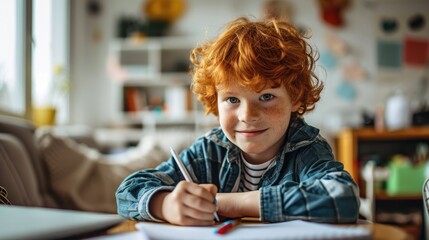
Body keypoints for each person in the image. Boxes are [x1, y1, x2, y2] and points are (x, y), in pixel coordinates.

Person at [116, 17, 360, 226]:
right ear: (215, 101)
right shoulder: (209, 150)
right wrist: (166, 204)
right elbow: (127, 192)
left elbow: (343, 197)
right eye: (232, 99)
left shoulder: (306, 149)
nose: (247, 115)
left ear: (295, 98)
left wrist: (230, 204)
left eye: (266, 97)